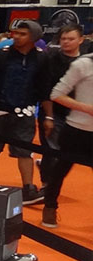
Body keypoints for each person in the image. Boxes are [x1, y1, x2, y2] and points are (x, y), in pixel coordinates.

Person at [0, 20, 54, 205]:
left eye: (22, 34)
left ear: (33, 37)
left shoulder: (42, 58)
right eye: (15, 33)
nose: (16, 36)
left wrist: (49, 116)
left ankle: (28, 188)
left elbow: (45, 89)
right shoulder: (1, 55)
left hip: (25, 112)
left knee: (25, 151)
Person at [41, 54, 93, 228]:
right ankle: (49, 207)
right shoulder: (83, 64)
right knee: (60, 171)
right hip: (76, 130)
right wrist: (86, 108)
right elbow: (56, 94)